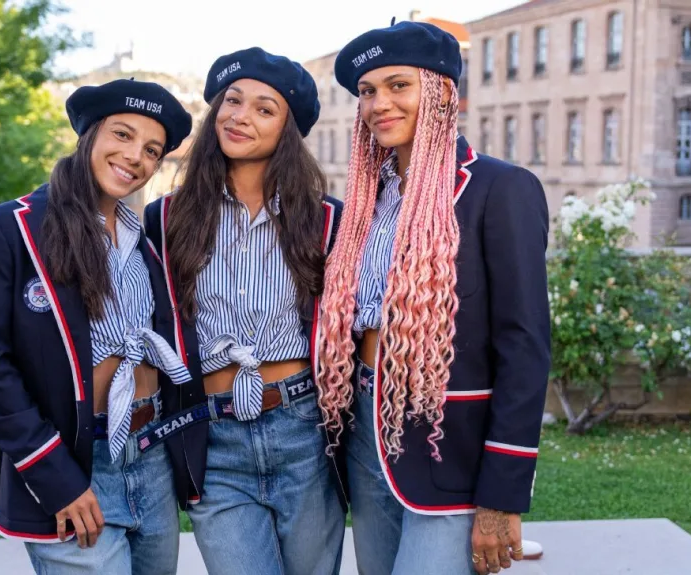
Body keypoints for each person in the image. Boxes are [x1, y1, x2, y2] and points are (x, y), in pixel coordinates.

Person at [315, 20, 551, 575]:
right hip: (366, 438)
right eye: (368, 92)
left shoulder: (498, 189)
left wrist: (502, 496)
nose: (379, 104)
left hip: (451, 447)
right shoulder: (367, 203)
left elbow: (525, 348)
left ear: (442, 91)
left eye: (399, 86)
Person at [0, 78, 193, 574]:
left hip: (150, 460)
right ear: (89, 135)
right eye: (122, 135)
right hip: (75, 464)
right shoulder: (7, 229)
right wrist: (55, 477)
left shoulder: (145, 240)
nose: (135, 156)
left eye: (151, 150)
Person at [143, 47, 346, 575]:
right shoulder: (165, 219)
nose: (240, 116)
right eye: (232, 101)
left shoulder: (327, 221)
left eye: (264, 108)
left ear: (288, 130)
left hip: (302, 428)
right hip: (214, 436)